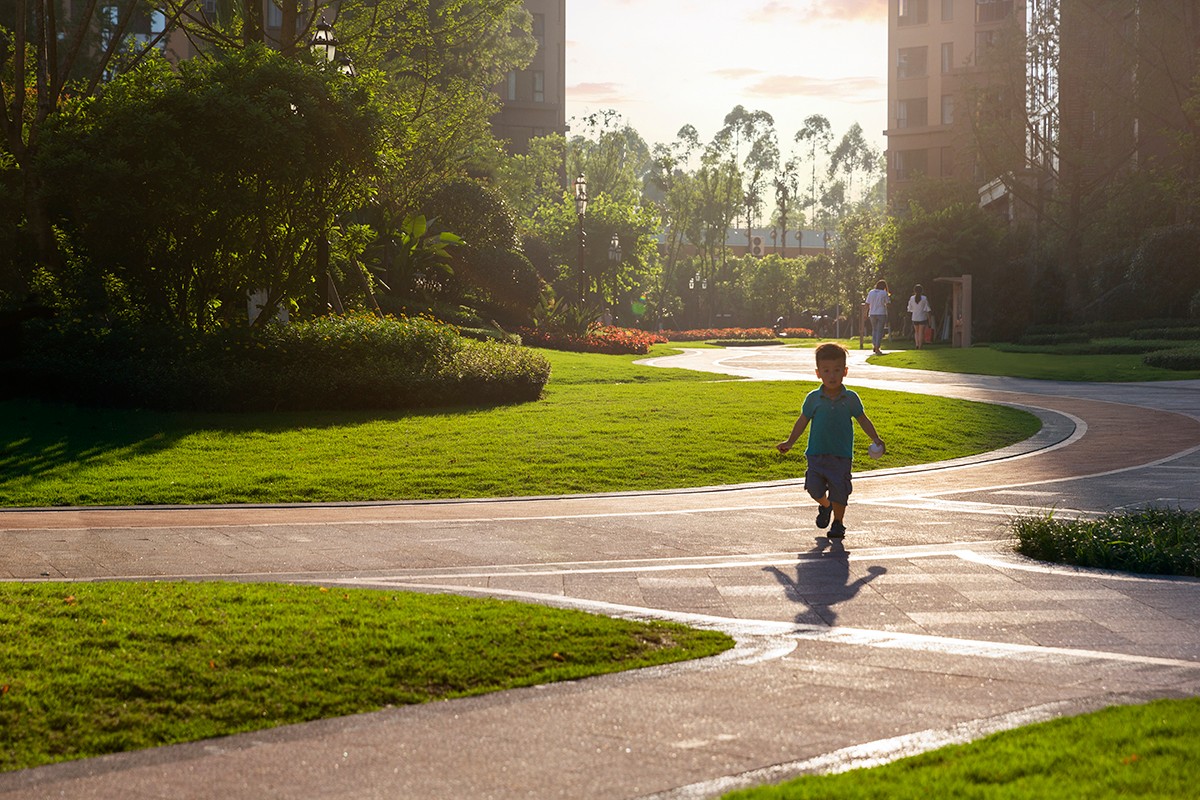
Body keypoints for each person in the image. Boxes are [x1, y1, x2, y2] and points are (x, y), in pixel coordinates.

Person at [776, 342, 886, 539]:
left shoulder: (851, 398)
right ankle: (825, 506)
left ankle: (838, 523)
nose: (832, 375)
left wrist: (876, 438)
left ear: (845, 371)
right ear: (818, 373)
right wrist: (790, 442)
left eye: (836, 370)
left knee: (840, 491)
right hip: (816, 454)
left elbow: (863, 419)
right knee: (813, 487)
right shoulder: (813, 399)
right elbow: (802, 421)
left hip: (841, 455)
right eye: (826, 371)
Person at [865, 279, 890, 355]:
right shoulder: (884, 293)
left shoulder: (871, 292)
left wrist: (865, 314)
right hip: (881, 313)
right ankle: (877, 347)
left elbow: (867, 304)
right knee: (880, 331)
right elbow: (888, 303)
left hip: (872, 313)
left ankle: (875, 344)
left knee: (874, 330)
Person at [907, 284, 932, 349]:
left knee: (916, 332)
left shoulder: (911, 298)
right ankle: (920, 346)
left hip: (914, 317)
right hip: (922, 317)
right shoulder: (924, 298)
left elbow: (909, 308)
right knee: (921, 332)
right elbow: (927, 309)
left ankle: (917, 344)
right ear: (922, 291)